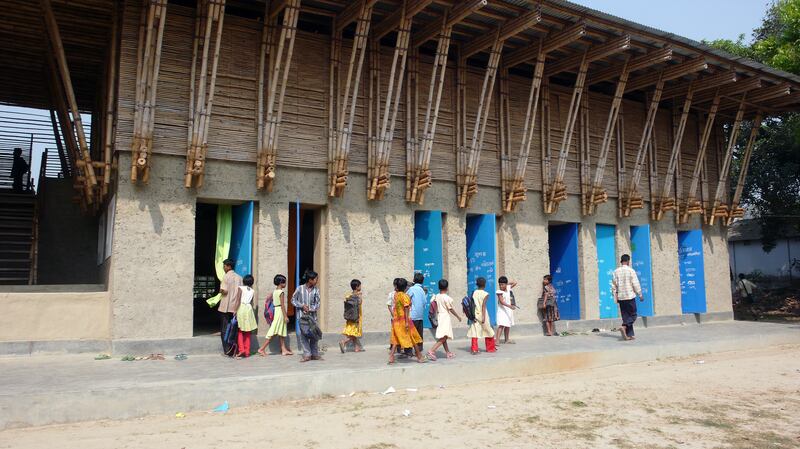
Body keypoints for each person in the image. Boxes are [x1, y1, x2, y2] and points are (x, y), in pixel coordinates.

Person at [388, 278, 426, 364]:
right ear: (405, 287)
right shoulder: (405, 296)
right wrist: (406, 322)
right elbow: (406, 308)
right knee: (412, 338)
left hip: (396, 320)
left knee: (396, 338)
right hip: (404, 320)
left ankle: (391, 357)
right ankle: (419, 356)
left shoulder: (396, 295)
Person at [257, 274, 293, 357]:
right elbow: (282, 305)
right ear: (281, 283)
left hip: (276, 311)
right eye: (284, 282)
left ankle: (284, 349)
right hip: (280, 311)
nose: (285, 284)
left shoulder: (274, 292)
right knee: (274, 331)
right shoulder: (281, 292)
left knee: (281, 330)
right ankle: (262, 349)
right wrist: (285, 316)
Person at [291, 270, 322, 362]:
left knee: (314, 335)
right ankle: (307, 354)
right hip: (302, 317)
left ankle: (314, 354)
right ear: (310, 280)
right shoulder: (299, 288)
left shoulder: (316, 290)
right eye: (316, 279)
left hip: (312, 317)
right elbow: (293, 300)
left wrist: (311, 308)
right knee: (304, 336)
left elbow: (318, 303)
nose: (317, 281)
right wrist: (302, 306)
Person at [426, 279, 461, 360]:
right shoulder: (447, 298)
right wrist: (458, 316)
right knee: (444, 337)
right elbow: (451, 309)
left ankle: (448, 352)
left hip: (439, 316)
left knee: (443, 336)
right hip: (445, 318)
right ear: (447, 288)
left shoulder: (437, 296)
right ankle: (431, 351)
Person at [611, 254, 643, 341]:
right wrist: (640, 294)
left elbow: (614, 286)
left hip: (621, 297)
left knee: (626, 316)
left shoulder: (615, 271)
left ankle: (629, 335)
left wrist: (615, 296)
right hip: (629, 296)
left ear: (621, 261)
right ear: (628, 261)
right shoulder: (631, 271)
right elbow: (635, 283)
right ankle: (624, 326)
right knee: (633, 314)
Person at [217, 259, 242, 356]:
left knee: (224, 329)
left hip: (226, 307)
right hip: (236, 306)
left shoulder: (226, 277)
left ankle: (227, 350)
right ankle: (234, 350)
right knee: (234, 328)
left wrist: (220, 291)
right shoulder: (239, 278)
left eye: (224, 266)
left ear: (228, 266)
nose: (223, 268)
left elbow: (225, 291)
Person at [467, 277, 496, 355]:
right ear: (485, 284)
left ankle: (474, 349)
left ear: (477, 284)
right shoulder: (486, 294)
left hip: (475, 314)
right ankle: (490, 348)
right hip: (483, 314)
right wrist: (483, 317)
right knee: (488, 330)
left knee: (475, 331)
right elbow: (483, 306)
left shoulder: (474, 292)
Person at [235, 275, 258, 358]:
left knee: (240, 330)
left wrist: (235, 310)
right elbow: (251, 302)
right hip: (249, 309)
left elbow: (238, 300)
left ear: (244, 281)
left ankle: (241, 350)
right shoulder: (252, 291)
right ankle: (247, 351)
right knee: (248, 331)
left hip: (241, 308)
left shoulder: (240, 288)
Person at [339, 279, 364, 353]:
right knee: (354, 333)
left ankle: (357, 348)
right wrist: (360, 296)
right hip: (356, 317)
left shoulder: (348, 296)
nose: (361, 287)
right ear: (357, 287)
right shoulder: (358, 296)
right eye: (360, 286)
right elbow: (359, 303)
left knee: (353, 332)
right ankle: (344, 341)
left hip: (349, 316)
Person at [495, 276, 518, 344]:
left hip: (508, 311)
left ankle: (506, 339)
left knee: (508, 325)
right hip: (502, 311)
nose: (501, 286)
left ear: (506, 284)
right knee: (501, 325)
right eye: (500, 284)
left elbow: (515, 282)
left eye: (502, 284)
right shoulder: (499, 292)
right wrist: (510, 306)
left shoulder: (508, 288)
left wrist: (507, 284)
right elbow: (502, 302)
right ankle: (497, 341)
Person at [407, 273, 426, 352]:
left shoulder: (411, 289)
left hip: (412, 315)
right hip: (420, 315)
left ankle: (409, 351)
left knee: (410, 334)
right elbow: (424, 302)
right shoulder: (422, 290)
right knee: (419, 334)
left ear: (414, 280)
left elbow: (406, 299)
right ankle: (419, 349)